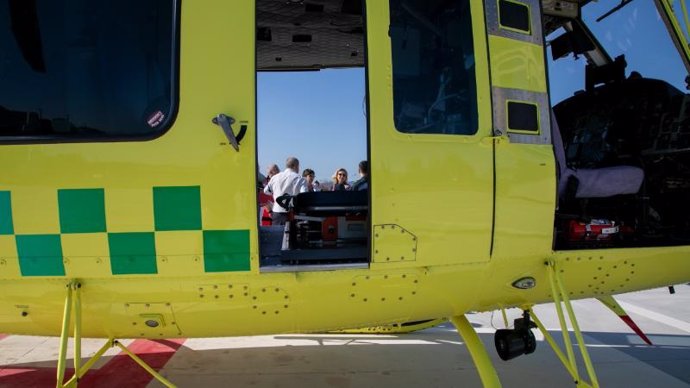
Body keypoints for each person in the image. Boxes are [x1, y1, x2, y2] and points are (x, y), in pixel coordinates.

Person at [264, 157, 307, 225]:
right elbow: (304, 196)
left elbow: (266, 191)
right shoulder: (300, 179)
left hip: (277, 213)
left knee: (278, 235)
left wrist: (276, 192)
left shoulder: (275, 177)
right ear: (295, 166)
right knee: (293, 235)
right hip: (294, 214)